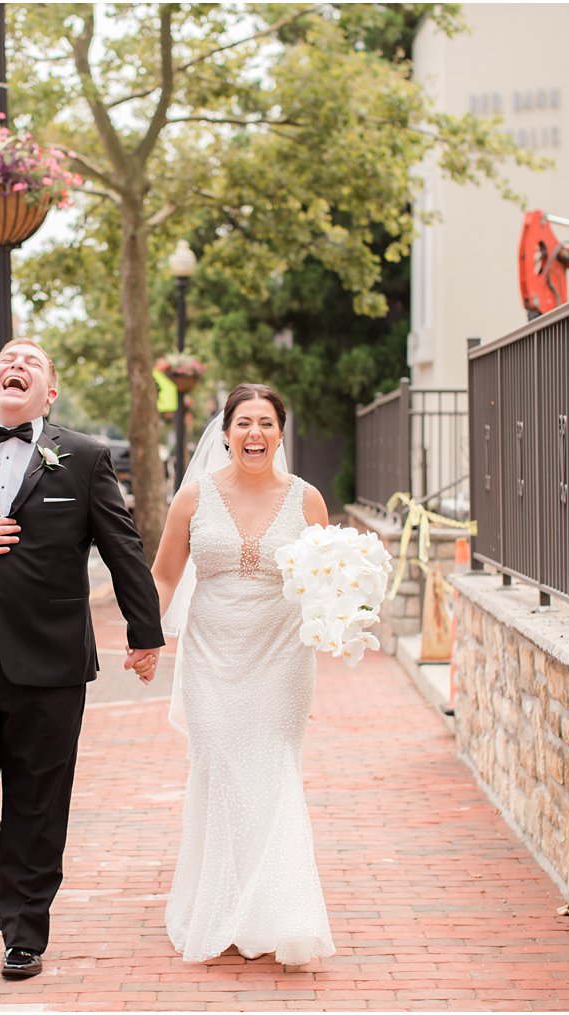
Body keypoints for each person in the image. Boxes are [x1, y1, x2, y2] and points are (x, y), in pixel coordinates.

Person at [0, 337, 164, 981]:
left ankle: (24, 932)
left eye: (31, 363)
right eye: (6, 362)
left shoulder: (85, 457)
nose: (16, 367)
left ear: (51, 390)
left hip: (50, 661)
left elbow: (122, 550)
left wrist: (144, 632)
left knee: (39, 798)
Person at [149, 383, 336, 966]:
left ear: (280, 433)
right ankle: (217, 903)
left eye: (266, 423)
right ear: (226, 432)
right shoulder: (193, 498)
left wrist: (345, 617)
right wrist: (146, 638)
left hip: (282, 656)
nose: (255, 433)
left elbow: (331, 578)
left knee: (274, 770)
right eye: (243, 423)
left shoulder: (307, 501)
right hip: (211, 658)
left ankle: (279, 912)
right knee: (220, 767)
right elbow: (163, 577)